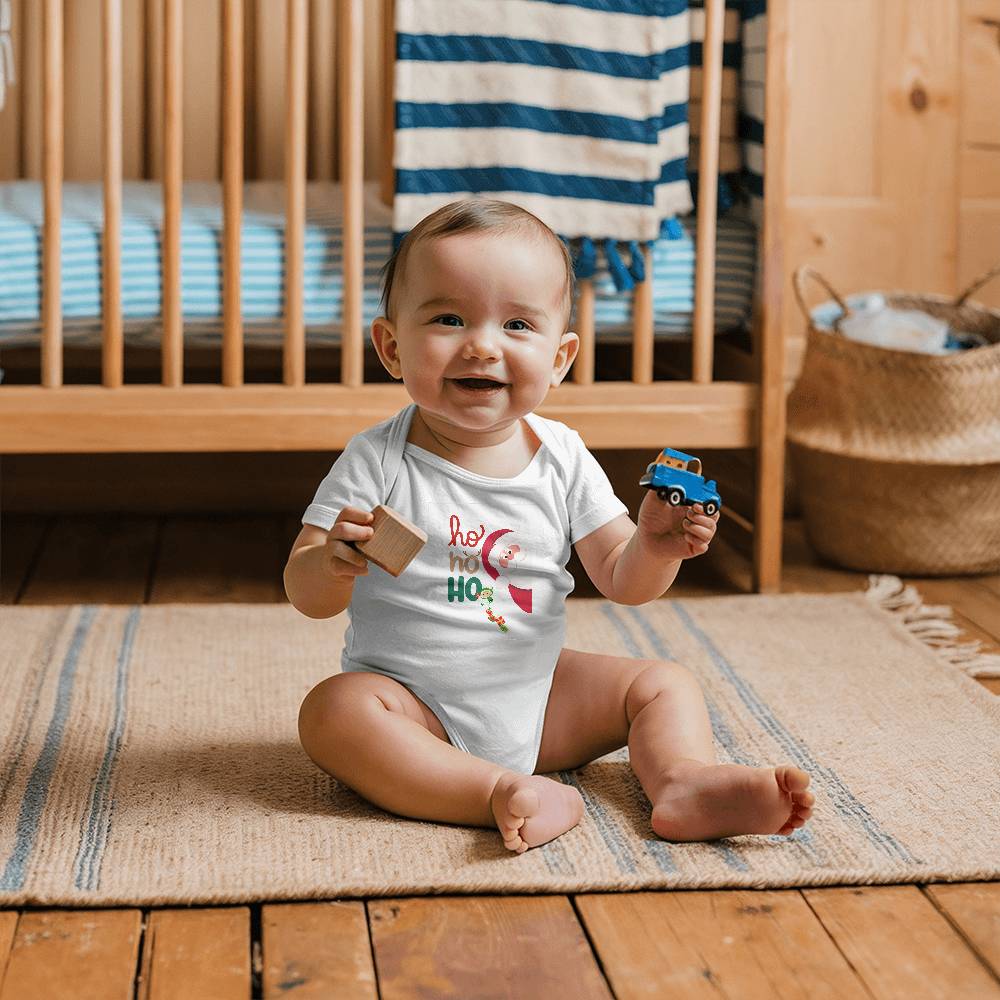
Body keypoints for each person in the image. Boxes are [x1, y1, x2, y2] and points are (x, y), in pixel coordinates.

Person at [284, 198, 813, 853]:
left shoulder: (561, 456)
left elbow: (624, 581)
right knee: (333, 713)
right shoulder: (378, 459)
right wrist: (332, 560)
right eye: (449, 318)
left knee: (661, 684)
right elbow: (306, 593)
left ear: (560, 358)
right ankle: (488, 792)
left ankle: (684, 782)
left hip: (539, 696)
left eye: (516, 324)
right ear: (391, 346)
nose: (482, 343)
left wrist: (654, 546)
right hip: (415, 705)